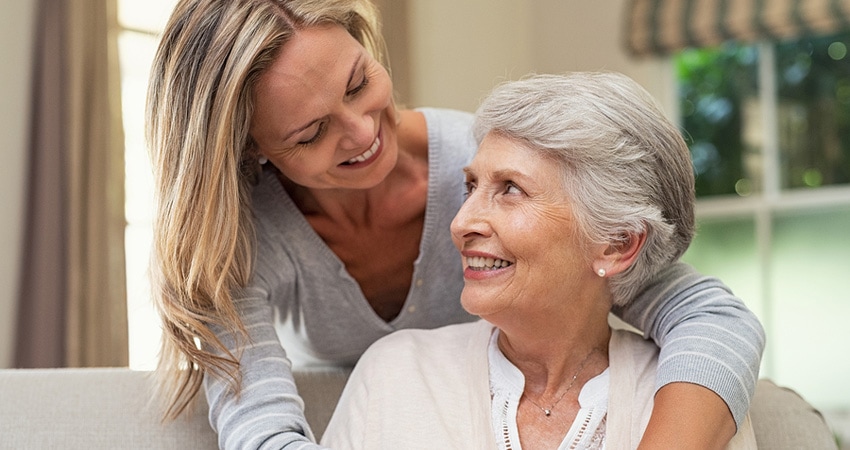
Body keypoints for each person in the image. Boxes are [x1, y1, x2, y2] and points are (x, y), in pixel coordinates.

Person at [145, 1, 764, 448]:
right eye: (310, 133)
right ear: (253, 150)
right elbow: (262, 432)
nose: (363, 132)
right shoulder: (240, 239)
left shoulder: (489, 160)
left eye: (359, 83)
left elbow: (707, 315)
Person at [320, 72, 759, 449]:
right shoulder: (394, 373)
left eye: (511, 189)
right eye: (471, 186)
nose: (460, 223)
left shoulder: (687, 398)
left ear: (618, 243)